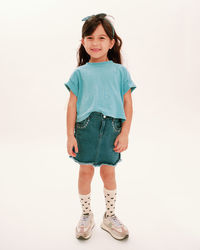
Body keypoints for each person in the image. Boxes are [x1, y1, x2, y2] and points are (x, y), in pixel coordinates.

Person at [64, 13, 137, 240]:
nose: (95, 43)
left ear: (112, 42)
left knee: (108, 172)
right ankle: (86, 215)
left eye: (102, 38)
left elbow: (127, 103)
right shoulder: (79, 73)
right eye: (90, 37)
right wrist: (70, 136)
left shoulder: (120, 71)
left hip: (112, 129)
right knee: (85, 171)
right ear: (83, 42)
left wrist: (124, 132)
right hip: (85, 129)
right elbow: (72, 106)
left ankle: (110, 215)